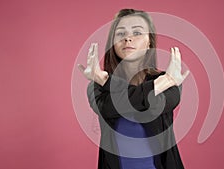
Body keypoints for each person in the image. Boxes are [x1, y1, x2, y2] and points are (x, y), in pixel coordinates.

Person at [78, 8, 189, 169]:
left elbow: (152, 109)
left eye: (137, 33)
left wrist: (106, 81)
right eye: (121, 34)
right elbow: (110, 108)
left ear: (149, 41)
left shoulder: (171, 83)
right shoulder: (97, 87)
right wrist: (163, 82)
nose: (128, 39)